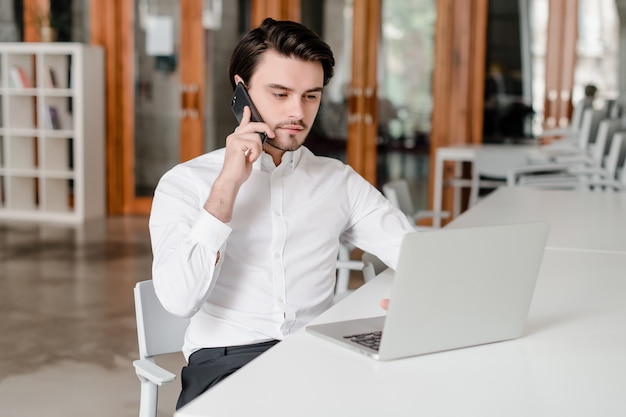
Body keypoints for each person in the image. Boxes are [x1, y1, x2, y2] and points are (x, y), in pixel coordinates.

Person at [149, 17, 415, 410]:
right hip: (227, 361)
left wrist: (421, 294)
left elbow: (410, 249)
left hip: (317, 353)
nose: (298, 112)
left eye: (311, 95)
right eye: (280, 93)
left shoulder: (337, 180)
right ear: (242, 91)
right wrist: (227, 187)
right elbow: (179, 300)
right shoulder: (185, 183)